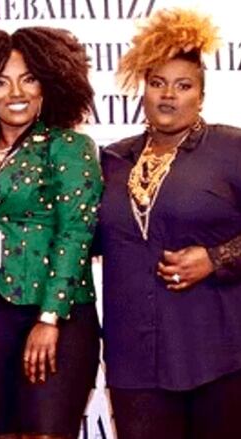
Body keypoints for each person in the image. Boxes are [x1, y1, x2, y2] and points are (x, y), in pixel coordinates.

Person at [0, 27, 102, 439]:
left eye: (28, 78)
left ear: (48, 85)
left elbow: (75, 232)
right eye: (0, 80)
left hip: (54, 314)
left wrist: (49, 317)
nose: (15, 91)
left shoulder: (68, 147)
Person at [98, 8, 241, 438]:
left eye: (183, 86)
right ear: (142, 89)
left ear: (201, 94)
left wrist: (216, 258)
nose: (168, 96)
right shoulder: (112, 160)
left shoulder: (230, 148)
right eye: (157, 83)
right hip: (134, 362)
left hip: (218, 356)